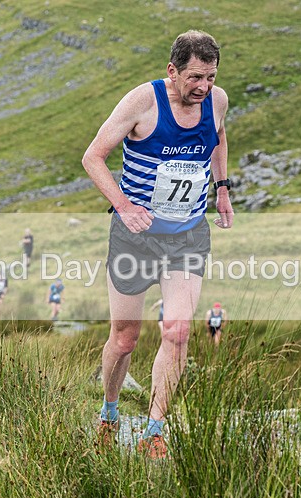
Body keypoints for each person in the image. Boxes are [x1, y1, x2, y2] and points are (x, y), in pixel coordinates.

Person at [82, 30, 232, 459]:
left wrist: (221, 188)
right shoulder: (142, 103)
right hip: (135, 236)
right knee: (125, 338)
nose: (203, 87)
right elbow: (93, 156)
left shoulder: (216, 101)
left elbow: (219, 136)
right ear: (173, 71)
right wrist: (124, 205)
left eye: (210, 76)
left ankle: (154, 429)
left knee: (178, 331)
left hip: (187, 235)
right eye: (194, 77)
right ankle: (109, 412)